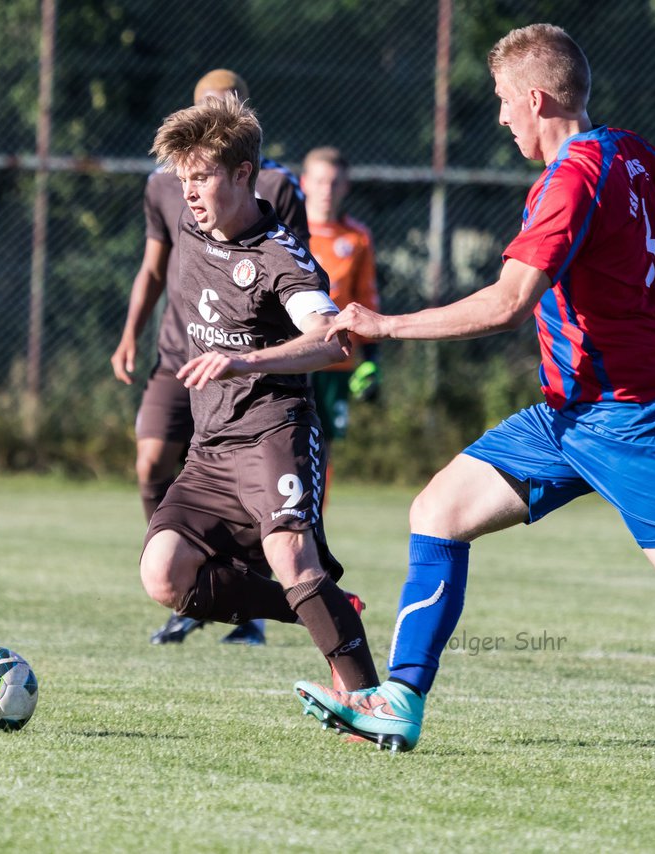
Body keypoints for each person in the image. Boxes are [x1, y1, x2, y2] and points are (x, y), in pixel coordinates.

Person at [293, 23, 655, 752]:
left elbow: (507, 302)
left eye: (506, 101)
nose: (502, 116)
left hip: (630, 415)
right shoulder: (623, 151)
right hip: (567, 416)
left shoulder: (572, 179)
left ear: (536, 98)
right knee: (438, 511)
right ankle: (400, 702)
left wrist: (385, 326)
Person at [138, 93, 381, 694]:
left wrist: (245, 360)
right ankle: (324, 608)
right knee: (162, 575)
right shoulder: (193, 223)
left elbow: (333, 342)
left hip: (274, 429)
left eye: (202, 178)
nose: (188, 192)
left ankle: (370, 701)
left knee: (293, 558)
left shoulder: (281, 257)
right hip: (211, 446)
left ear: (244, 175)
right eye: (182, 179)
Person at [111, 69, 309, 647]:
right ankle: (189, 586)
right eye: (207, 103)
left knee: (256, 492)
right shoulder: (164, 183)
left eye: (230, 103)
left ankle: (242, 602)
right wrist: (130, 334)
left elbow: (289, 271)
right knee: (151, 464)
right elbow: (153, 266)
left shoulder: (274, 185)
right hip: (180, 353)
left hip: (245, 363)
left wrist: (267, 356)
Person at [299, 146, 382, 495]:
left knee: (322, 447)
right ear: (304, 183)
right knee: (281, 442)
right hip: (289, 356)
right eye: (319, 181)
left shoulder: (356, 237)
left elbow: (366, 299)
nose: (326, 190)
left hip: (335, 360)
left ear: (345, 187)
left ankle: (313, 527)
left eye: (334, 182)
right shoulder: (283, 229)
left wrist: (372, 362)